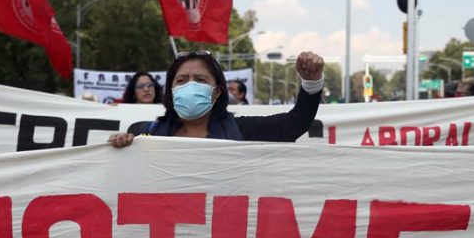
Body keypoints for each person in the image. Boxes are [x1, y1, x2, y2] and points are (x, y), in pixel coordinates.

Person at [109, 50, 324, 147]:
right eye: (181, 80)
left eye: (200, 80)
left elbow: (294, 124)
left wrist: (311, 82)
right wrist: (120, 145)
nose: (190, 86)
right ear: (171, 90)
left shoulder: (242, 131)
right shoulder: (144, 133)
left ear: (217, 91)